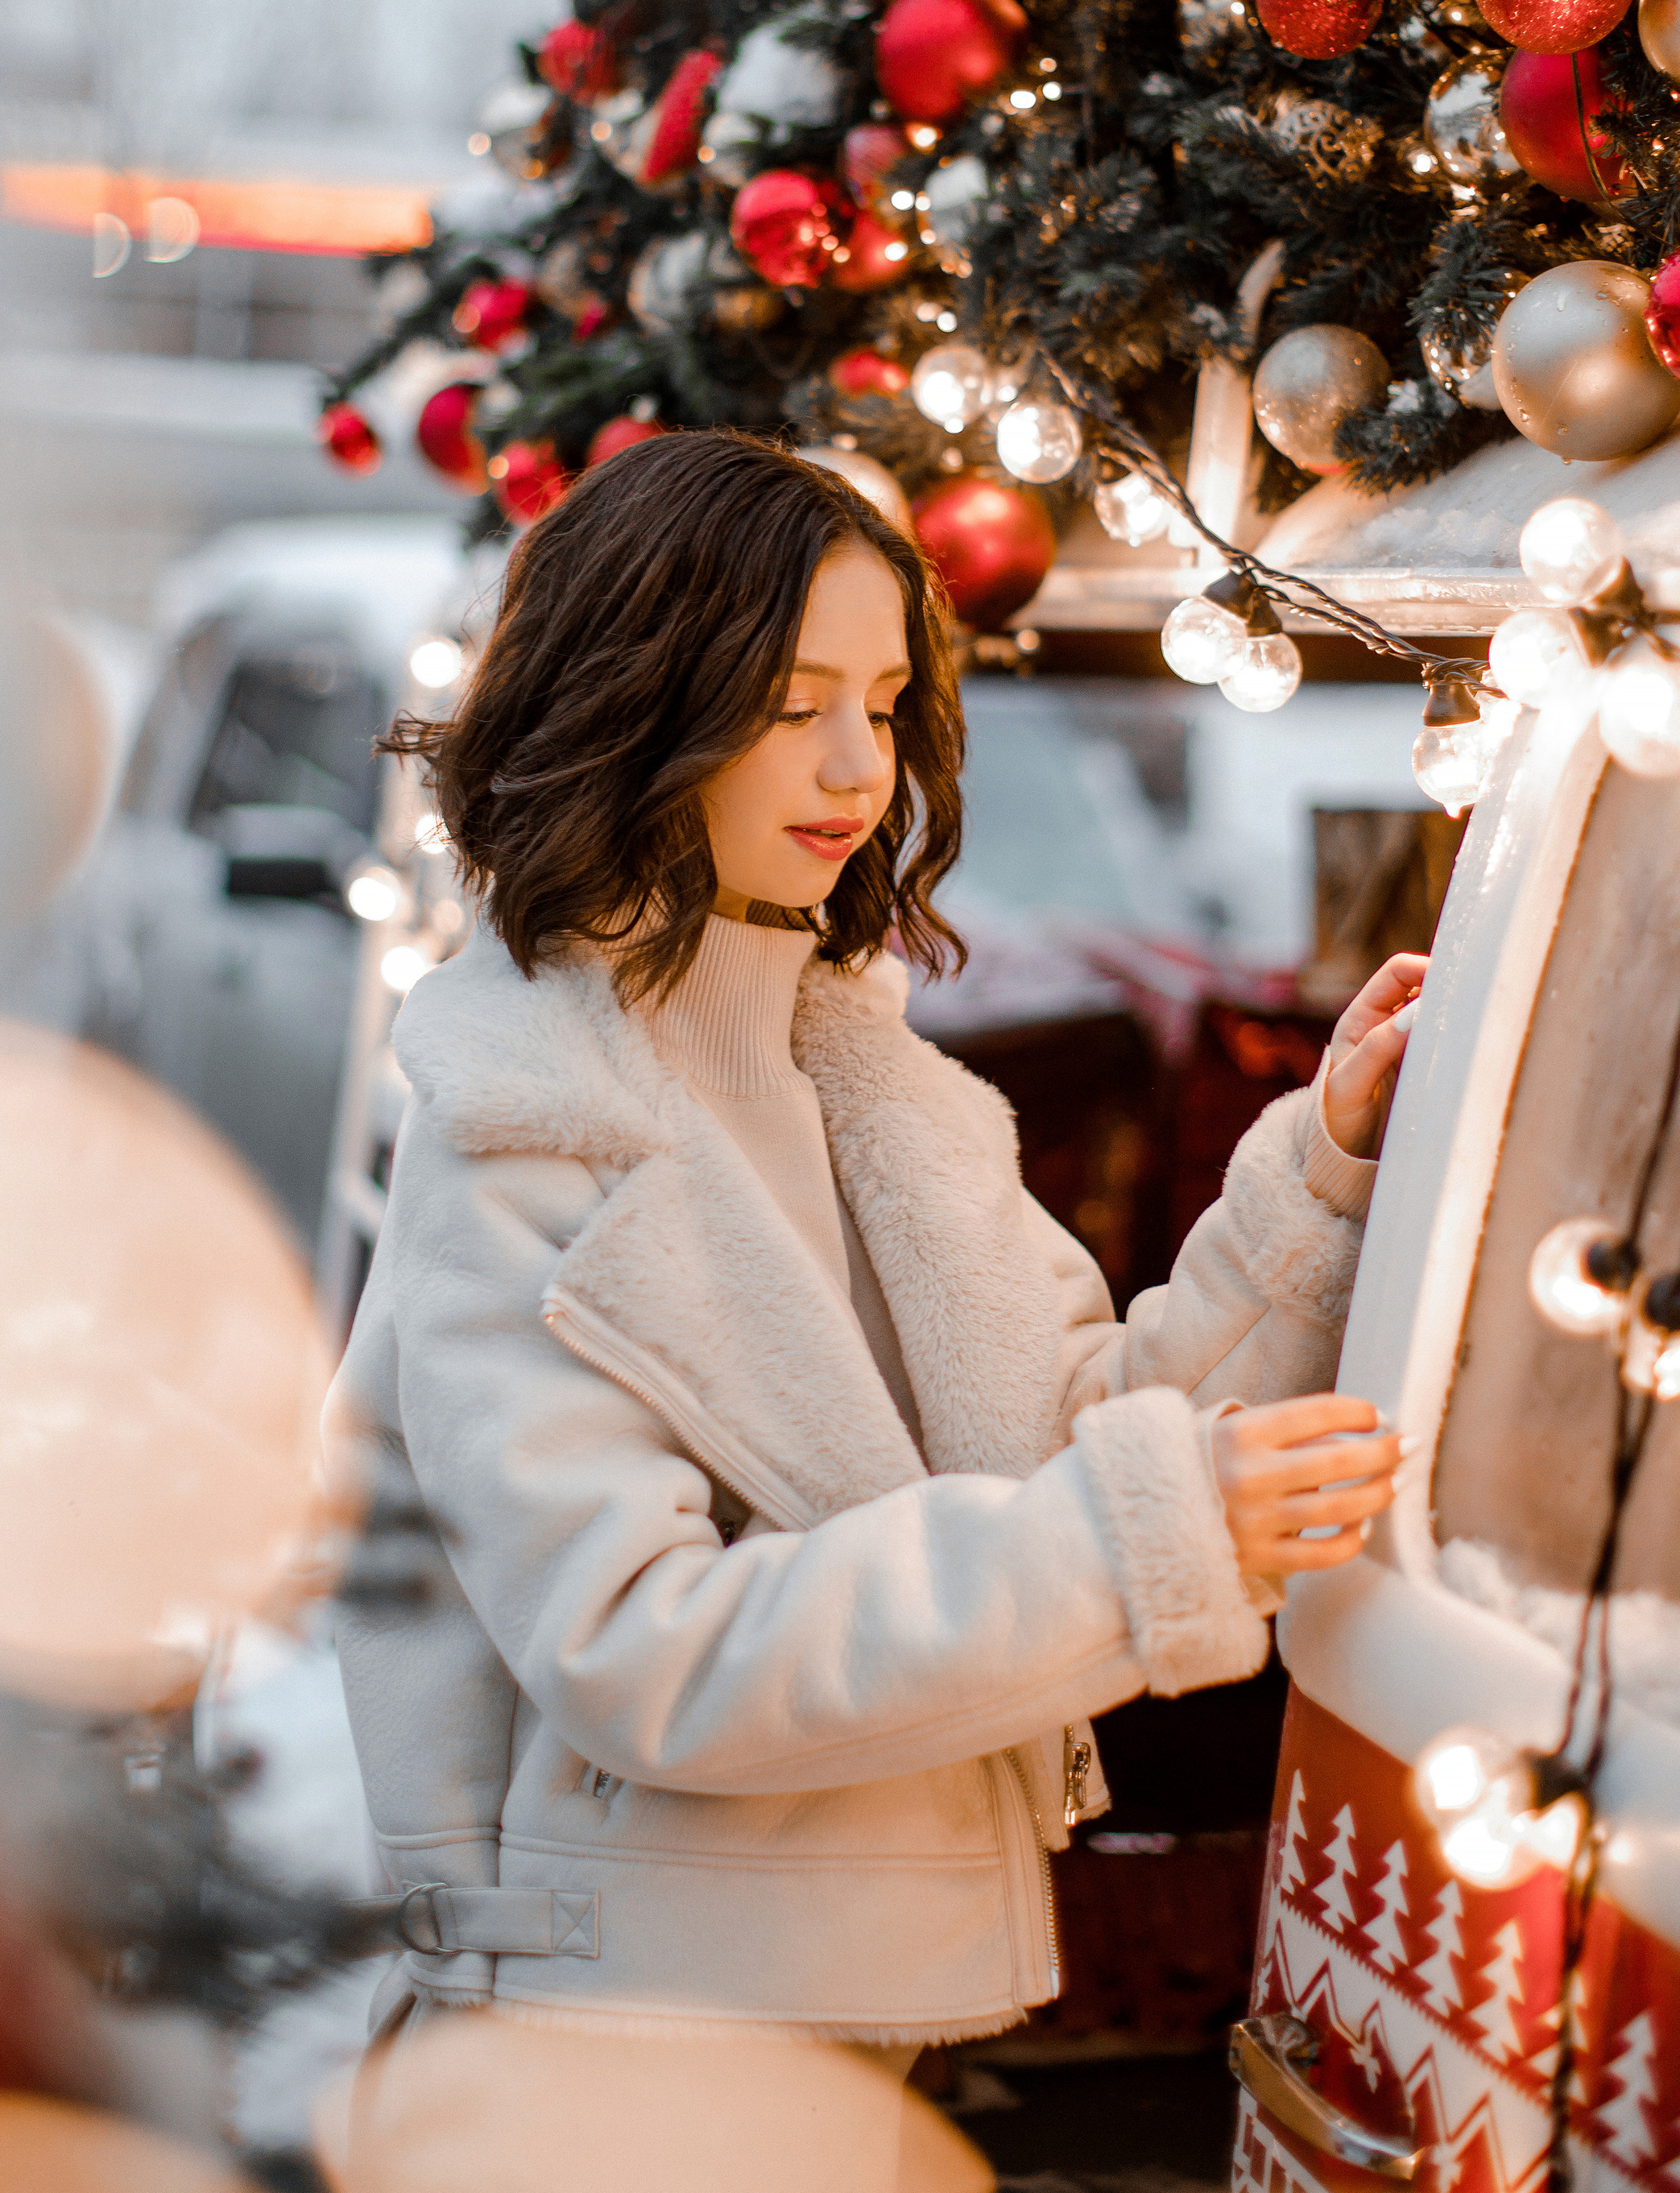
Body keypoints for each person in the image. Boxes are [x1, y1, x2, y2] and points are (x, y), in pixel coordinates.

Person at [325, 432, 1418, 2054]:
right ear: (640, 704)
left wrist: (1319, 1169)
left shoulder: (865, 1082)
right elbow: (645, 1653)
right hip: (601, 2048)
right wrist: (1146, 1533)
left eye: (887, 704)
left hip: (846, 2018)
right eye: (792, 707)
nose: (859, 769)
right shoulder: (521, 1127)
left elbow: (1074, 1439)